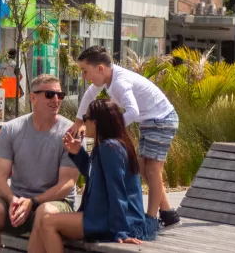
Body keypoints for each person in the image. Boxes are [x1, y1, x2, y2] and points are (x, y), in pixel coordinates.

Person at [70, 46, 181, 229]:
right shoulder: (109, 79)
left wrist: (111, 130)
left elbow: (132, 111)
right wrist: (77, 122)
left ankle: (151, 220)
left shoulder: (121, 82)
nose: (84, 76)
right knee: (144, 169)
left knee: (153, 170)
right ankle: (168, 214)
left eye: (85, 71)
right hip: (150, 120)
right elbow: (90, 94)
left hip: (162, 119)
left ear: (100, 68)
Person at [0, 75, 79, 253]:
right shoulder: (11, 129)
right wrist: (12, 200)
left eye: (59, 95)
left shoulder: (71, 133)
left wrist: (33, 202)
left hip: (56, 203)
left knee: (43, 212)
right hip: (18, 202)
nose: (56, 100)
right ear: (33, 98)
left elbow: (67, 183)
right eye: (49, 94)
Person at [41, 99, 158, 253]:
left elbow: (117, 192)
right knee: (44, 222)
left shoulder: (110, 148)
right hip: (103, 215)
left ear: (95, 123)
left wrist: (120, 231)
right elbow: (95, 177)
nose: (83, 123)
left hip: (113, 220)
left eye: (85, 119)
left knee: (48, 223)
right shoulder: (106, 145)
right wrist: (78, 153)